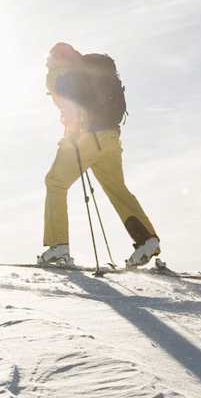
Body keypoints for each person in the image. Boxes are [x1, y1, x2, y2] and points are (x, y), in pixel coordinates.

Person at [40, 42, 162, 268]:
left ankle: (58, 246)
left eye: (50, 57)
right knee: (117, 189)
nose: (48, 62)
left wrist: (72, 136)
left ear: (58, 57)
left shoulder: (62, 74)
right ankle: (147, 240)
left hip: (87, 137)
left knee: (55, 182)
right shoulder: (90, 69)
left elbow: (72, 108)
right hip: (111, 138)